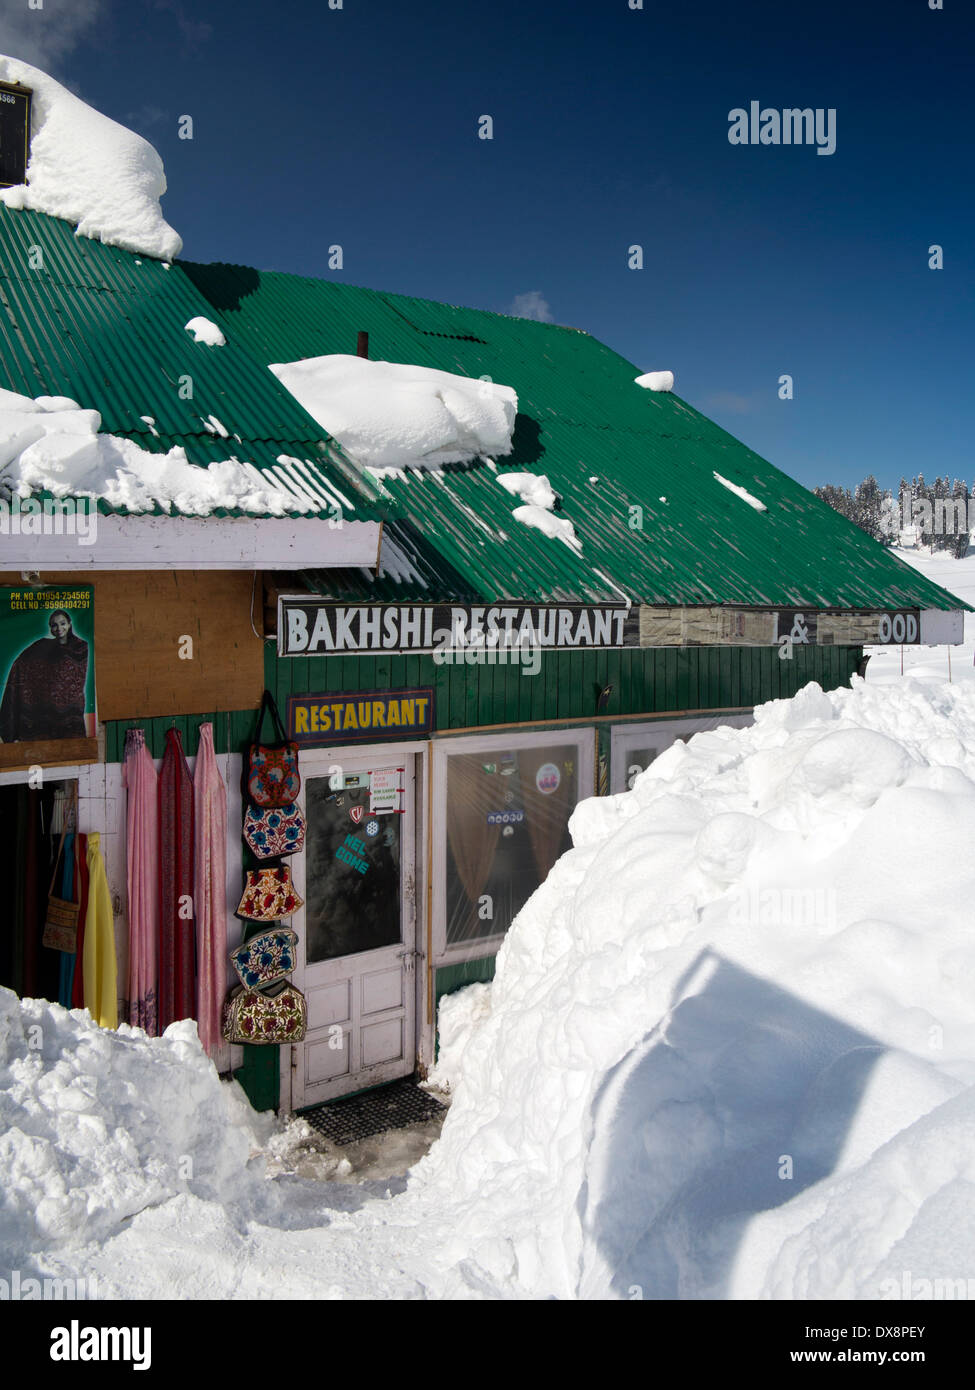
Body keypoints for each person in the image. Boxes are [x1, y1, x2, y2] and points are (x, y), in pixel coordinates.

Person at [0, 609, 89, 741]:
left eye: (62, 623)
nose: (59, 628)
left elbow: (76, 679)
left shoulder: (81, 647)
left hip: (71, 713)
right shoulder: (42, 646)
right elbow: (21, 663)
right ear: (51, 628)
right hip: (43, 711)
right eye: (54, 625)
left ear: (69, 624)